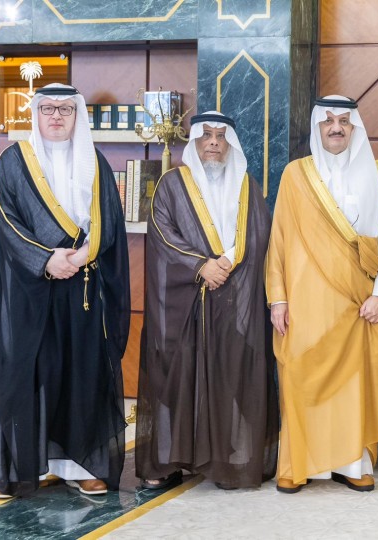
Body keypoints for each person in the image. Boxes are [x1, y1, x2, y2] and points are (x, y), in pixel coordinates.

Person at [0, 83, 131, 498]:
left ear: (76, 115)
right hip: (29, 288)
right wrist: (46, 260)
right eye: (47, 108)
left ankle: (81, 466)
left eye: (65, 109)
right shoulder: (13, 161)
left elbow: (110, 221)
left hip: (81, 286)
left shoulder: (96, 162)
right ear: (36, 114)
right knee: (27, 372)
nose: (55, 116)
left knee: (80, 372)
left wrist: (81, 256)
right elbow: (7, 221)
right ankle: (20, 468)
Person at [135, 111, 278, 491]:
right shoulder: (172, 184)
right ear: (195, 141)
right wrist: (201, 265)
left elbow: (259, 232)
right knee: (175, 381)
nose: (214, 142)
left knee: (229, 377)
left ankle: (224, 462)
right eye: (206, 135)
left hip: (233, 299)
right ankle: (168, 462)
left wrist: (225, 263)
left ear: (230, 143)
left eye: (221, 136)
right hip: (183, 302)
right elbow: (162, 232)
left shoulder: (246, 186)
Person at [264, 96, 378, 494]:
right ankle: (298, 463)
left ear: (355, 127)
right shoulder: (296, 175)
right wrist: (278, 298)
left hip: (359, 303)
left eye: (344, 121)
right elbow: (279, 239)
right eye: (328, 122)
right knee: (301, 377)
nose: (336, 128)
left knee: (354, 384)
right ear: (317, 128)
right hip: (305, 302)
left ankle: (352, 463)